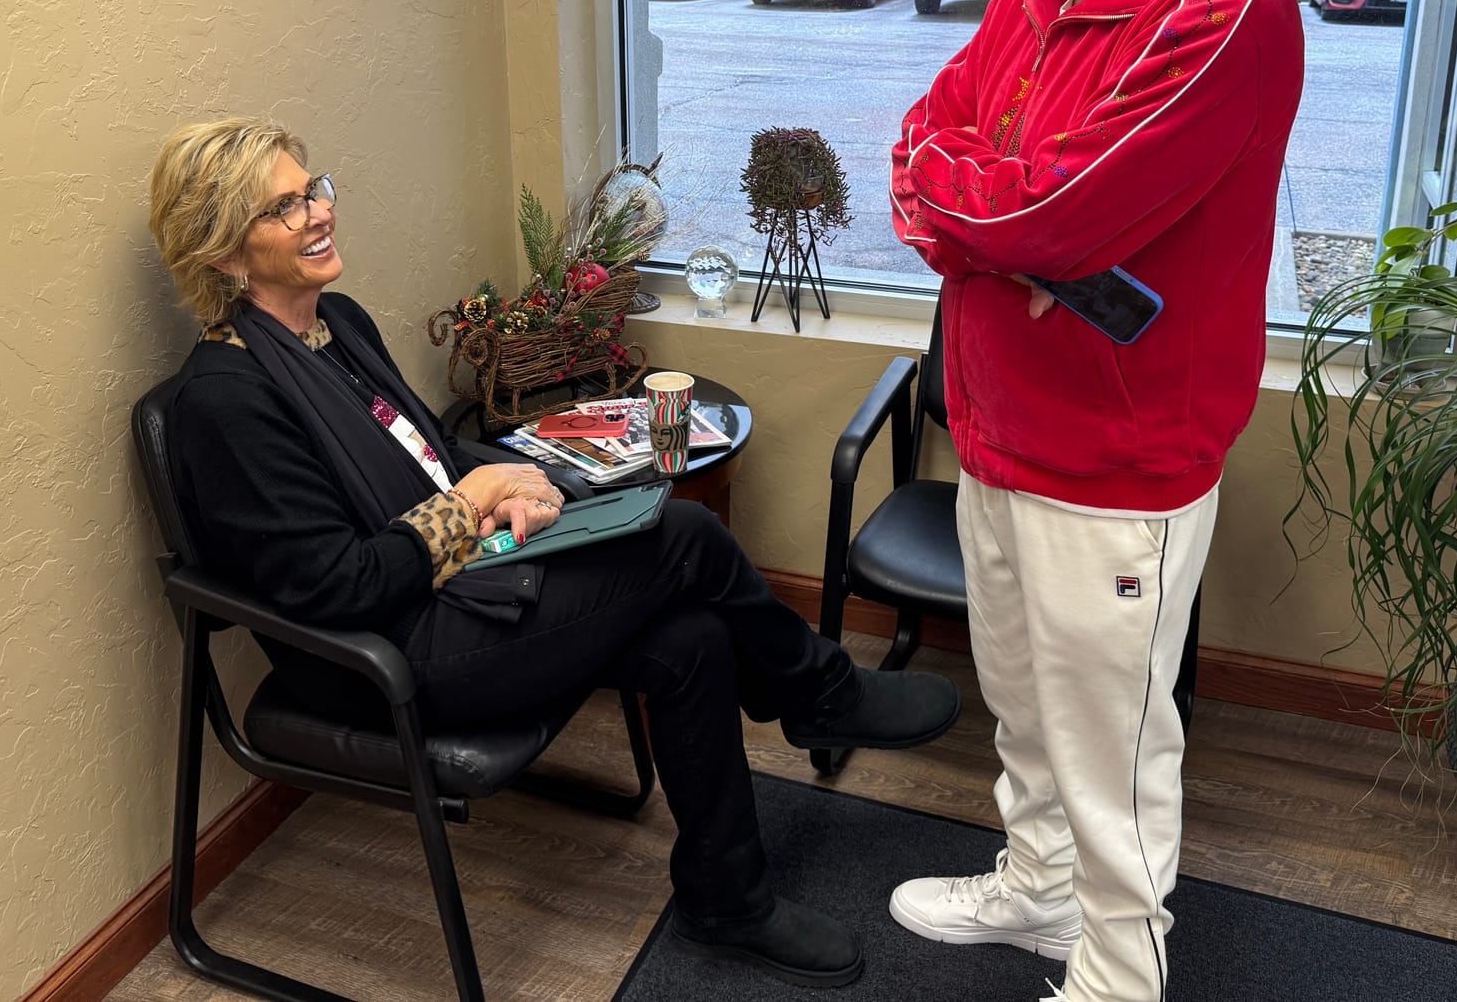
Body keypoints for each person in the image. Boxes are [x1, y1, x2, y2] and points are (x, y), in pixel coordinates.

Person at [147, 117, 961, 988]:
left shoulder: (334, 326)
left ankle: (728, 899)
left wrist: (511, 476)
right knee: (684, 532)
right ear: (226, 254)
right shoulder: (226, 403)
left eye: (314, 189)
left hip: (456, 588)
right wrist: (474, 501)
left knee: (692, 640)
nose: (317, 214)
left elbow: (422, 451)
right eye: (284, 207)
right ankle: (819, 695)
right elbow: (336, 588)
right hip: (388, 655)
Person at [885, 0, 1304, 1001]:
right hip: (1002, 422)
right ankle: (1035, 891)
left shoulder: (1228, 13)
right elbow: (919, 143)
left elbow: (1044, 220)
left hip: (1117, 459)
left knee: (1112, 748)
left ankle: (1119, 973)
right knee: (1019, 704)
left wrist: (992, 217)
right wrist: (988, 216)